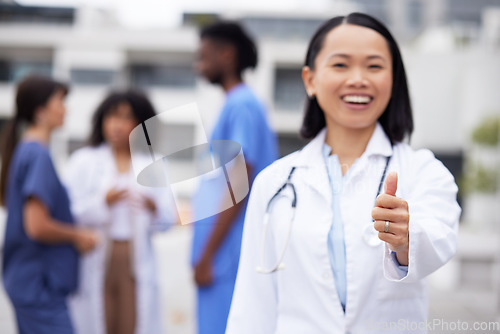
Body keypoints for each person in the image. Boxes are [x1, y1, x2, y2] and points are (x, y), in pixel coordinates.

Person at [226, 13, 461, 334]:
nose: (358, 79)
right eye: (340, 65)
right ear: (310, 80)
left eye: (374, 66)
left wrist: (407, 239)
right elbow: (253, 301)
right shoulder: (275, 181)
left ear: (393, 80)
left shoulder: (423, 171)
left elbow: (439, 240)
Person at [65, 90, 177, 334]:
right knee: (97, 320)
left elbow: (168, 221)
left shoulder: (154, 164)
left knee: (131, 321)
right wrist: (102, 202)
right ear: (101, 121)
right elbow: (69, 214)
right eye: (112, 116)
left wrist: (154, 208)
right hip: (97, 253)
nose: (117, 125)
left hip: (134, 258)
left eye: (126, 118)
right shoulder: (83, 161)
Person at [192, 21, 278, 334]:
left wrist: (207, 255)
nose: (197, 65)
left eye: (202, 56)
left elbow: (237, 185)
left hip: (226, 255)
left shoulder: (242, 105)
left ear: (226, 55)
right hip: (222, 252)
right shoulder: (235, 104)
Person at [0, 75, 97, 333]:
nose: (66, 109)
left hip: (28, 281)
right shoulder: (38, 155)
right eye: (60, 102)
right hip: (39, 285)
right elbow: (36, 226)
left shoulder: (25, 150)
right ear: (41, 111)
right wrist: (78, 235)